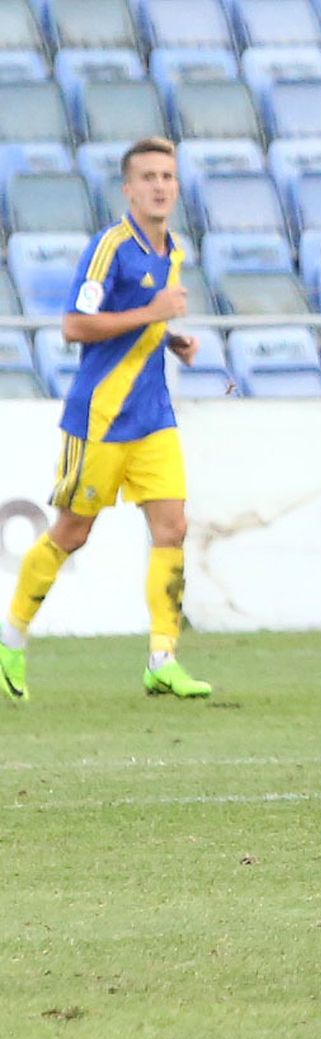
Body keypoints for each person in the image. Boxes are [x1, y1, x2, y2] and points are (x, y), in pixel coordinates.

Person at [1, 137, 206, 703]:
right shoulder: (110, 247)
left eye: (168, 176)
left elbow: (143, 325)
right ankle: (10, 638)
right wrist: (154, 313)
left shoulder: (175, 251)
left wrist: (173, 338)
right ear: (128, 189)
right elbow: (74, 326)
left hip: (154, 416)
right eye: (149, 177)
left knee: (173, 528)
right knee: (72, 532)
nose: (160, 185)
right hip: (99, 419)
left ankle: (162, 659)